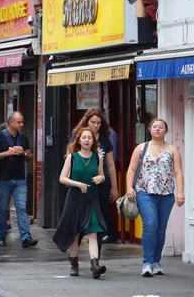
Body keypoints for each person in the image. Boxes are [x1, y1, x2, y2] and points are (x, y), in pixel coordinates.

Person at [126, 117, 184, 278]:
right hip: (145, 191)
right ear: (149, 130)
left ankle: (156, 262)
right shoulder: (141, 148)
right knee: (150, 224)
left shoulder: (172, 150)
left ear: (166, 131)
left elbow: (178, 172)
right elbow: (131, 169)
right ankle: (147, 263)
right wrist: (129, 187)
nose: (157, 129)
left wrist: (180, 193)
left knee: (160, 229)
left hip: (166, 194)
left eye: (161, 127)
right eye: (154, 126)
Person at [53, 127, 107, 279]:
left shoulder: (97, 157)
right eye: (84, 138)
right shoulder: (73, 157)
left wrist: (100, 178)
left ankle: (95, 265)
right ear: (79, 140)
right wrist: (78, 184)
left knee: (93, 232)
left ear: (93, 141)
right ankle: (74, 264)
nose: (87, 140)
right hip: (74, 198)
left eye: (89, 138)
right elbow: (62, 178)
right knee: (74, 234)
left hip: (91, 199)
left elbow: (102, 175)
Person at [72, 109, 119, 245]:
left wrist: (114, 188)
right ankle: (77, 238)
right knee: (80, 213)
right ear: (87, 121)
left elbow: (110, 165)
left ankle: (101, 240)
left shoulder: (105, 138)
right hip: (82, 183)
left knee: (102, 212)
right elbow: (70, 159)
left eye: (98, 123)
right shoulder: (78, 135)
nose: (95, 125)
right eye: (93, 122)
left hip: (102, 182)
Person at [0, 111, 38, 248]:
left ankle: (25, 236)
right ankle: (1, 235)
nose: (22, 124)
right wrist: (8, 153)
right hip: (4, 179)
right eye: (19, 122)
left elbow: (30, 156)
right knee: (3, 208)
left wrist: (23, 152)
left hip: (20, 178)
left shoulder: (23, 138)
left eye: (22, 121)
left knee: (21, 207)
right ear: (10, 122)